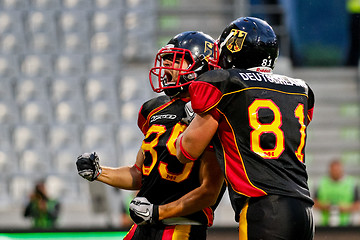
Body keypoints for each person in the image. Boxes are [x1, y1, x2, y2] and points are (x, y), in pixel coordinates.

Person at [174, 17, 315, 240]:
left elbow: (186, 152)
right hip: (304, 209)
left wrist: (189, 121)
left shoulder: (224, 82)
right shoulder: (301, 88)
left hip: (264, 206)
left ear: (233, 48)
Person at [76, 31, 225, 240]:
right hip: (143, 225)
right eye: (166, 61)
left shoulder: (213, 114)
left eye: (175, 61)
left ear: (199, 66)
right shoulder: (154, 109)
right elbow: (139, 174)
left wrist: (158, 212)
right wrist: (100, 172)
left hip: (181, 225)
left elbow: (209, 192)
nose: (166, 68)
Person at [314, 159, 360, 226]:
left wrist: (345, 208)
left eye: (337, 170)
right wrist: (325, 206)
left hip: (347, 222)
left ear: (342, 170)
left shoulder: (352, 183)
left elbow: (357, 205)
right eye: (333, 170)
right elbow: (314, 203)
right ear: (329, 170)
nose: (335, 172)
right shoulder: (321, 183)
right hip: (324, 222)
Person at [346, 0, 360, 66]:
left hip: (355, 13)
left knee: (355, 42)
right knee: (355, 41)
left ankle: (351, 63)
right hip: (355, 13)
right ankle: (352, 63)